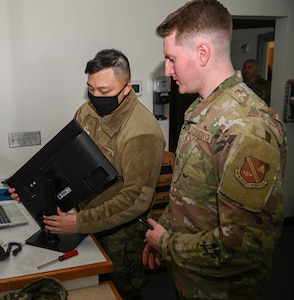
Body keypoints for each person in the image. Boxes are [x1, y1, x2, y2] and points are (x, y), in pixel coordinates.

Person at [142, 1, 287, 300]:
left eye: (171, 58)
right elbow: (188, 193)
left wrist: (167, 243)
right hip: (192, 278)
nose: (168, 70)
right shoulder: (203, 111)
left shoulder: (246, 126)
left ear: (203, 53)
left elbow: (246, 244)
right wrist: (162, 232)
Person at [10, 48, 166, 300]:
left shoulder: (142, 133)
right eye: (90, 89)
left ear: (127, 89)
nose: (95, 97)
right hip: (85, 216)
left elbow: (136, 199)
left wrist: (79, 222)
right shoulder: (87, 112)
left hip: (121, 235)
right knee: (88, 287)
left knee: (119, 290)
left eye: (104, 91)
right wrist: (30, 187)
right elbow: (64, 158)